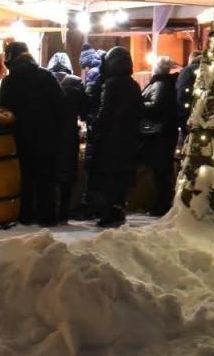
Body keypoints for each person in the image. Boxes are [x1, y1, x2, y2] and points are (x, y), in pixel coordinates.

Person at [0, 41, 70, 226]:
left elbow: (3, 112)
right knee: (46, 180)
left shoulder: (9, 81)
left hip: (20, 138)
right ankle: (47, 218)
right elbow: (62, 106)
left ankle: (26, 216)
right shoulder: (46, 76)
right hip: (47, 138)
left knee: (25, 180)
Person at [86, 45, 142, 228]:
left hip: (111, 139)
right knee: (122, 177)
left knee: (108, 176)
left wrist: (94, 125)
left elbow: (105, 111)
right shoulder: (133, 84)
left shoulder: (111, 84)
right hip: (129, 138)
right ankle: (118, 208)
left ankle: (110, 212)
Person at [45, 51, 89, 223]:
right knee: (67, 175)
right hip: (69, 135)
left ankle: (48, 213)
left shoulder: (45, 81)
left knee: (48, 175)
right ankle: (63, 213)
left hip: (47, 134)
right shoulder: (76, 82)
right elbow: (84, 112)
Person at [140, 56, 180, 217]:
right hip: (161, 133)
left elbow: (156, 106)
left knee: (161, 171)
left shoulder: (159, 84)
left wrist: (138, 104)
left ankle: (161, 204)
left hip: (158, 134)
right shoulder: (164, 84)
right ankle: (160, 203)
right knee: (161, 171)